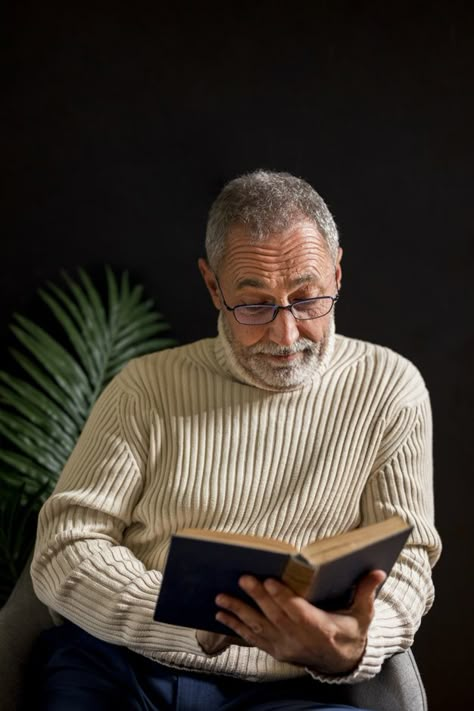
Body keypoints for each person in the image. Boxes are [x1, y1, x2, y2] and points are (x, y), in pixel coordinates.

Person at [30, 170, 441, 710]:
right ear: (212, 286)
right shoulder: (144, 387)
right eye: (254, 305)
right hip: (120, 666)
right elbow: (66, 545)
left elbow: (409, 558)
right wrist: (197, 624)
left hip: (291, 688)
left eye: (307, 298)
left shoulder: (391, 388)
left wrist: (352, 644)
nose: (285, 334)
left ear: (337, 273)